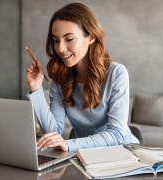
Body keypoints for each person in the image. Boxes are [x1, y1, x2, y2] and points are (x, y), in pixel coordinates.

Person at [26, 2, 139, 153]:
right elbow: (54, 132)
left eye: (69, 39)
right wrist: (36, 88)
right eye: (56, 40)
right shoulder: (60, 78)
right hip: (85, 157)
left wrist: (70, 145)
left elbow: (116, 134)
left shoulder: (116, 73)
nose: (60, 48)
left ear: (91, 37)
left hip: (124, 154)